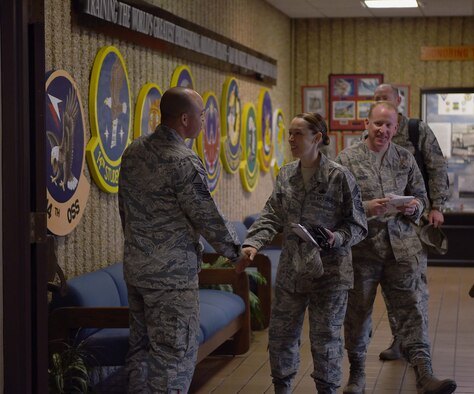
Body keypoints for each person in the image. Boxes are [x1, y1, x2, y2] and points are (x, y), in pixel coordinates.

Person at [118, 87, 243, 393]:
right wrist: (237, 254)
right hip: (172, 279)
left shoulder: (133, 151)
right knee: (173, 357)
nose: (203, 120)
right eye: (201, 115)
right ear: (185, 119)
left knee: (141, 352)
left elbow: (125, 210)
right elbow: (207, 216)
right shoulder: (183, 161)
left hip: (136, 270)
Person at [240, 112, 368, 394]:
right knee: (282, 336)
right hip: (292, 272)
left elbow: (358, 225)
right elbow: (271, 215)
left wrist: (337, 238)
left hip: (330, 274)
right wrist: (253, 243)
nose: (291, 140)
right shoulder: (286, 174)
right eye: (289, 134)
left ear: (317, 137)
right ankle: (282, 387)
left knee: (326, 340)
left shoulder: (339, 176)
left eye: (298, 133)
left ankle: (328, 389)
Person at [336, 102, 456, 394]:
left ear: (395, 127)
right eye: (378, 123)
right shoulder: (346, 159)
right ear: (366, 123)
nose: (383, 130)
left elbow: (420, 197)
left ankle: (425, 375)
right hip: (362, 251)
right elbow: (335, 204)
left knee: (412, 311)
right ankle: (357, 376)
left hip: (402, 249)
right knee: (358, 314)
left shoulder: (404, 158)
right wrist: (366, 208)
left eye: (389, 125)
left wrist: (415, 208)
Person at [373, 83, 450, 361]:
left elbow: (437, 167)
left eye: (386, 97)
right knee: (393, 285)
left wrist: (438, 206)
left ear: (399, 100)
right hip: (385, 225)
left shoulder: (417, 130)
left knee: (415, 285)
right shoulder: (374, 132)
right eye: (377, 99)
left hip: (415, 220)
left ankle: (418, 344)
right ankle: (399, 339)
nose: (382, 101)